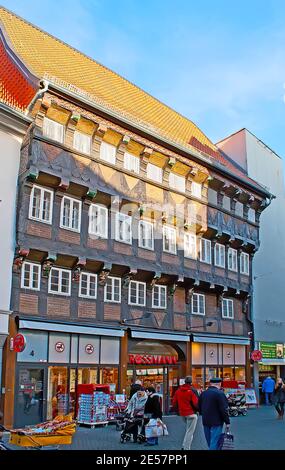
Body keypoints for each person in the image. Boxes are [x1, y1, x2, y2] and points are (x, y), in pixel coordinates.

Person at [198, 377, 230, 450]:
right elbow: (224, 409)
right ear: (219, 384)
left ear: (210, 384)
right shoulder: (220, 394)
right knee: (215, 442)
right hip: (217, 421)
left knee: (210, 442)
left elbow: (199, 408)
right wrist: (227, 422)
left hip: (205, 420)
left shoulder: (203, 393)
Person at [172, 376, 199, 450]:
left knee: (188, 430)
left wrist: (177, 411)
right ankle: (186, 448)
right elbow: (196, 403)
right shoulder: (192, 390)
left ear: (184, 381)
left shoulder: (178, 390)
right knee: (190, 432)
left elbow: (174, 402)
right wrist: (198, 410)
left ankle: (184, 445)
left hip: (182, 413)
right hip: (192, 413)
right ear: (191, 382)